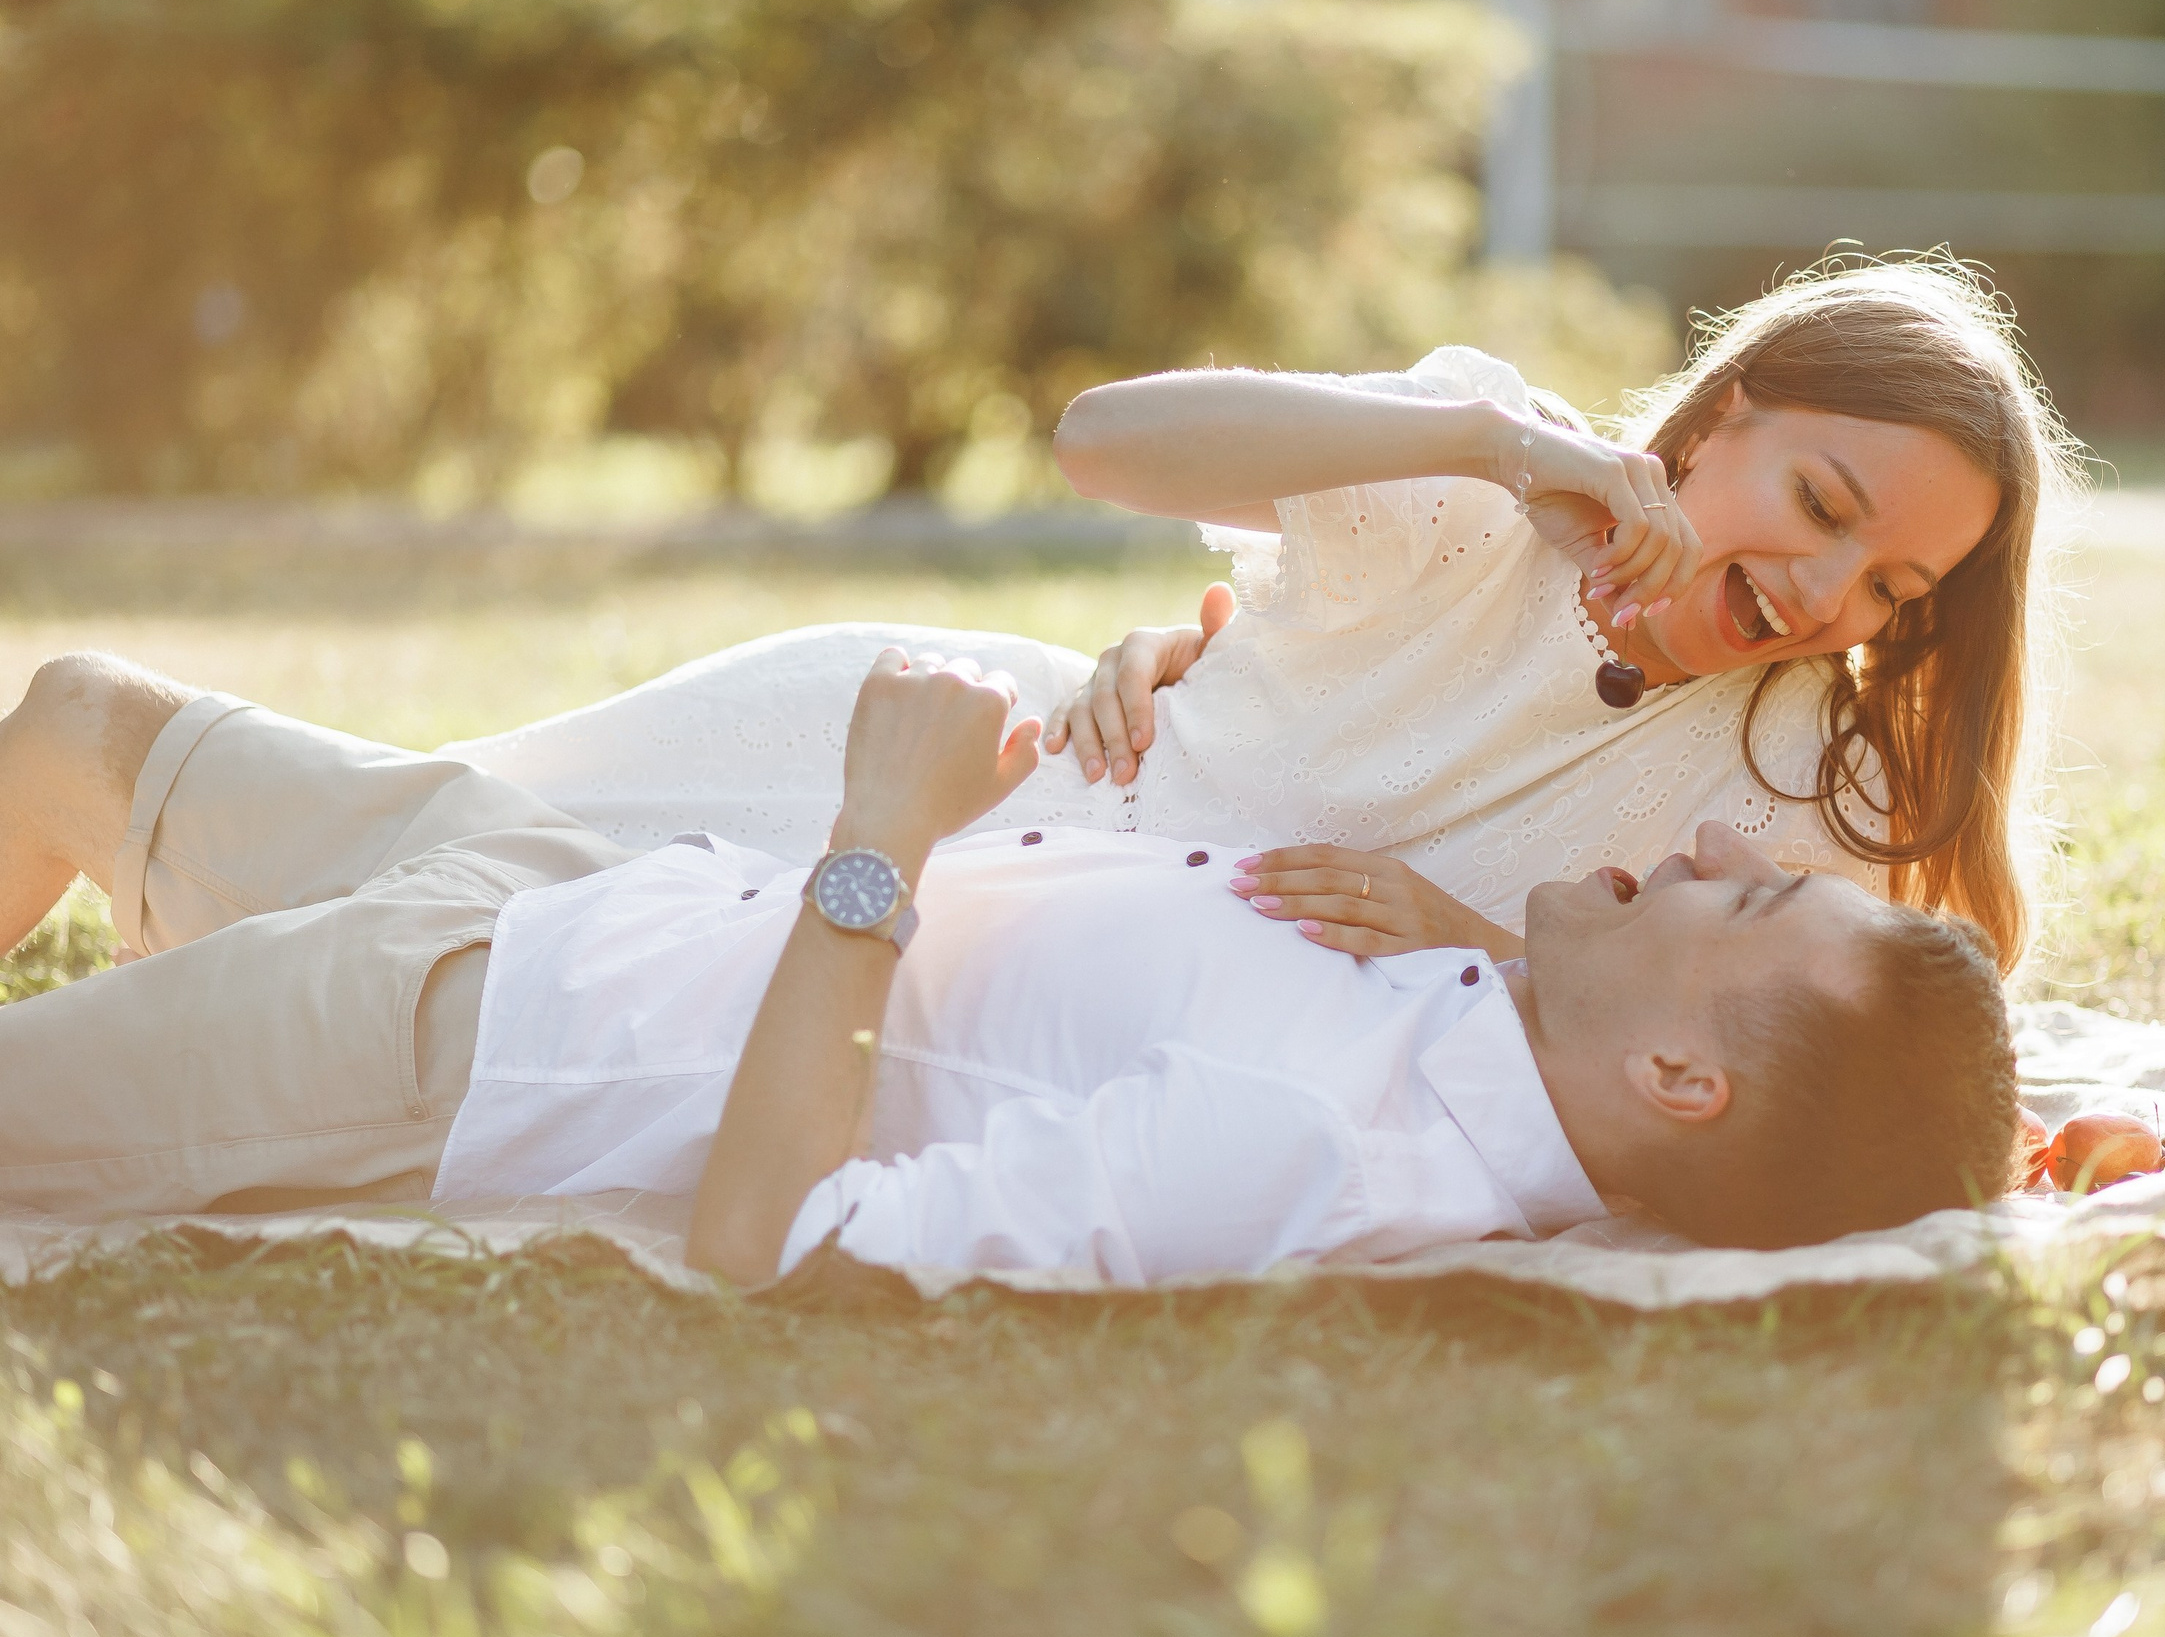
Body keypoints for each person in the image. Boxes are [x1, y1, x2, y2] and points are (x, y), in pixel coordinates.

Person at [0, 649, 2020, 1284]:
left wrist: (879, 832)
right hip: (560, 883)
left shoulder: (1302, 1144)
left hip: (454, 1038)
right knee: (77, 718)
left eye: (1744, 904)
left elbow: (771, 1239)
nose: (1716, 845)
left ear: (1686, 1082)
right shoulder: (1485, 1027)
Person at [439, 256, 2082, 975]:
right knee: (447, 830)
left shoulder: (1792, 786)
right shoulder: (1476, 486)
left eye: (1891, 593)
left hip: (1014, 975)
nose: (1822, 597)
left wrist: (1493, 952)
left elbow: (1848, 1044)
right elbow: (1103, 441)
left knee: (458, 972)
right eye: (1820, 508)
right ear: (1724, 414)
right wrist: (1492, 444)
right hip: (970, 769)